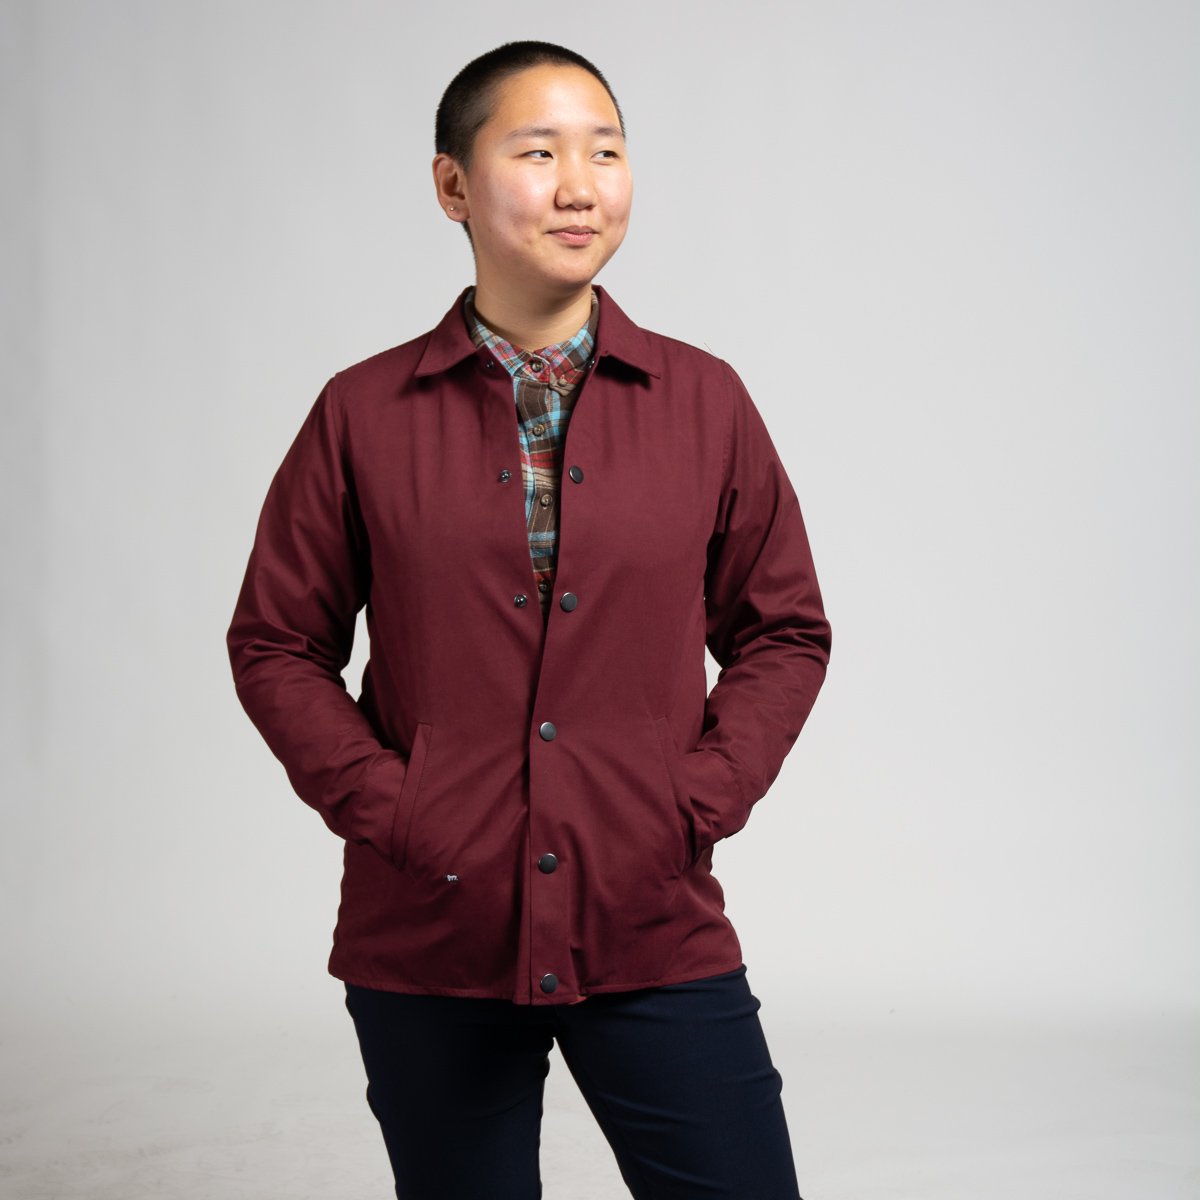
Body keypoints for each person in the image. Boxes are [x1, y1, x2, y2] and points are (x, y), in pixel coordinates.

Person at [226, 39, 831, 1200]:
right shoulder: (361, 413)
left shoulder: (706, 401)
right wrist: (396, 808)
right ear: (452, 185)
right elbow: (276, 644)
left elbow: (784, 630)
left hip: (648, 913)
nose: (579, 186)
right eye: (539, 152)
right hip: (431, 929)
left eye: (605, 152)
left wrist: (697, 800)